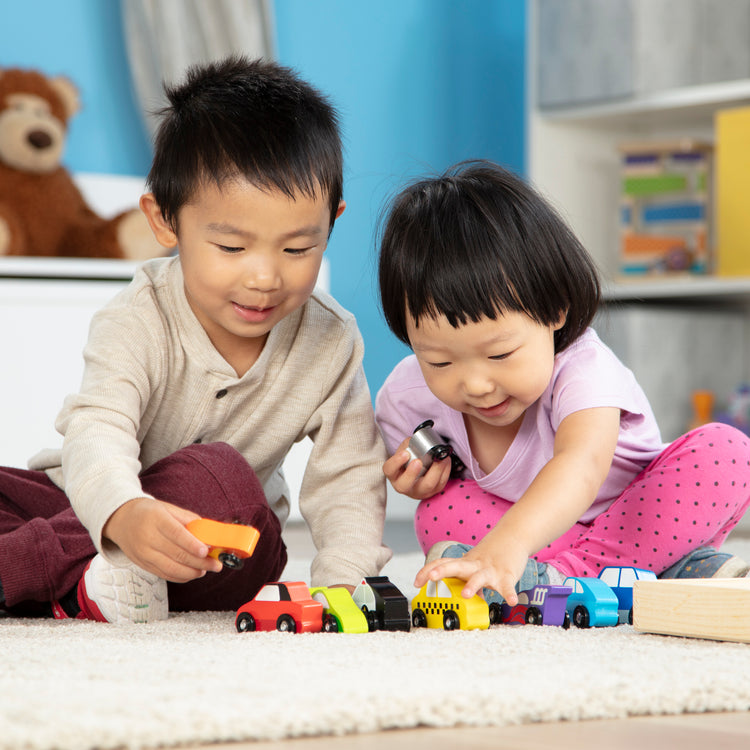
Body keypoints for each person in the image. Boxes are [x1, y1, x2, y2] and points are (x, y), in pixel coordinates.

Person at [0, 56, 390, 624]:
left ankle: (30, 574)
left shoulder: (330, 340)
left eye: (298, 249)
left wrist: (343, 586)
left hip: (213, 541)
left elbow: (349, 473)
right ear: (164, 222)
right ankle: (76, 586)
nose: (264, 277)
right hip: (88, 508)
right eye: (232, 248)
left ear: (332, 221)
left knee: (221, 476)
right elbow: (98, 429)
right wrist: (124, 514)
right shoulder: (140, 314)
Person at [375, 159, 750, 607]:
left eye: (500, 354)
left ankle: (561, 578)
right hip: (545, 537)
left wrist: (509, 545)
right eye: (439, 361)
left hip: (637, 514)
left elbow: (581, 465)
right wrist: (415, 482)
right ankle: (667, 574)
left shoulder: (584, 370)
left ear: (556, 311)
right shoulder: (406, 396)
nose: (474, 384)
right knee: (440, 511)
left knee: (727, 453)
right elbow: (419, 474)